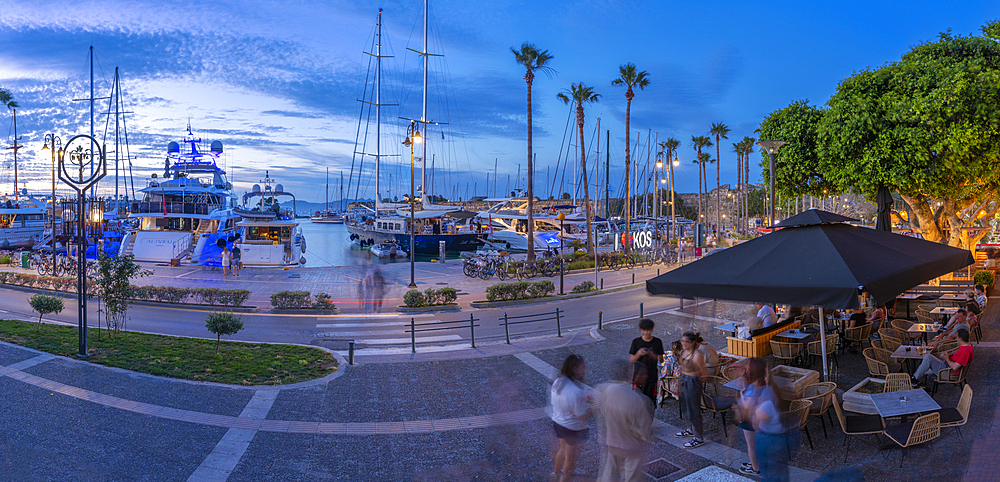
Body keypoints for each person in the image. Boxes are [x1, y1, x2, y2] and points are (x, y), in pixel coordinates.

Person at [597, 359, 652, 482]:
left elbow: (603, 412)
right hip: (632, 448)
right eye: (643, 374)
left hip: (612, 443)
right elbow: (644, 430)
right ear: (634, 376)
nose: (646, 376)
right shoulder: (640, 400)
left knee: (609, 475)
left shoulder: (609, 390)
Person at [752, 368, 800, 482]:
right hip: (780, 438)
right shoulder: (775, 392)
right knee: (779, 472)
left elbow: (755, 424)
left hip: (769, 440)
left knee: (771, 474)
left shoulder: (767, 399)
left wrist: (750, 408)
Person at [551, 354, 594, 482]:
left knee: (562, 450)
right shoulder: (576, 392)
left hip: (558, 423)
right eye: (583, 367)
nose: (585, 370)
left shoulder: (558, 382)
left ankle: (555, 474)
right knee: (570, 459)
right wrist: (594, 409)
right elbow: (581, 416)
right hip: (572, 429)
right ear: (574, 369)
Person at [675, 331, 708, 448]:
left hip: (693, 381)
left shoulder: (698, 355)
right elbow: (681, 369)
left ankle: (698, 437)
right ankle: (690, 429)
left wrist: (695, 384)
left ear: (693, 343)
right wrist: (677, 385)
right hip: (684, 379)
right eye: (682, 341)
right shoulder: (684, 352)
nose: (683, 343)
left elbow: (703, 374)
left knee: (694, 409)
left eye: (686, 342)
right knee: (684, 406)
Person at [736, 358, 768, 476]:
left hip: (749, 420)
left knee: (751, 445)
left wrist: (741, 395)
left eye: (748, 366)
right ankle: (757, 463)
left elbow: (746, 406)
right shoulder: (761, 382)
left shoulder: (754, 389)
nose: (746, 367)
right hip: (758, 419)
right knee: (757, 443)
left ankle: (755, 469)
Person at [628, 318, 664, 411]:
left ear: (652, 329)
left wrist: (653, 355)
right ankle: (639, 419)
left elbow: (661, 360)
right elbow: (631, 360)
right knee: (638, 400)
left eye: (648, 330)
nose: (646, 332)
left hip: (652, 376)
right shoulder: (636, 342)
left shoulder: (657, 342)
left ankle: (649, 419)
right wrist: (639, 353)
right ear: (641, 330)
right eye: (644, 330)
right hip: (638, 376)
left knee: (651, 400)